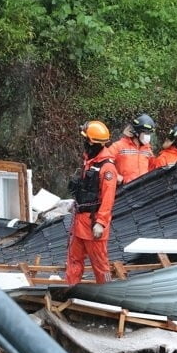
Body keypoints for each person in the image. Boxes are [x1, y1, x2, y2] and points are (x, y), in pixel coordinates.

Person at [66, 120, 118, 286]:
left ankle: (107, 293)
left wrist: (101, 223)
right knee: (74, 260)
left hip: (93, 223)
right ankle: (70, 289)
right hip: (80, 221)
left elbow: (108, 198)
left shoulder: (107, 168)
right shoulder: (89, 162)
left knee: (101, 266)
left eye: (86, 139)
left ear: (91, 141)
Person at [107, 113, 155, 183]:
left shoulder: (147, 149)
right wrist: (116, 176)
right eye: (146, 133)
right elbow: (104, 163)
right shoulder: (119, 146)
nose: (148, 136)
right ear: (137, 133)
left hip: (143, 189)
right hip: (125, 189)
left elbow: (153, 167)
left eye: (149, 133)